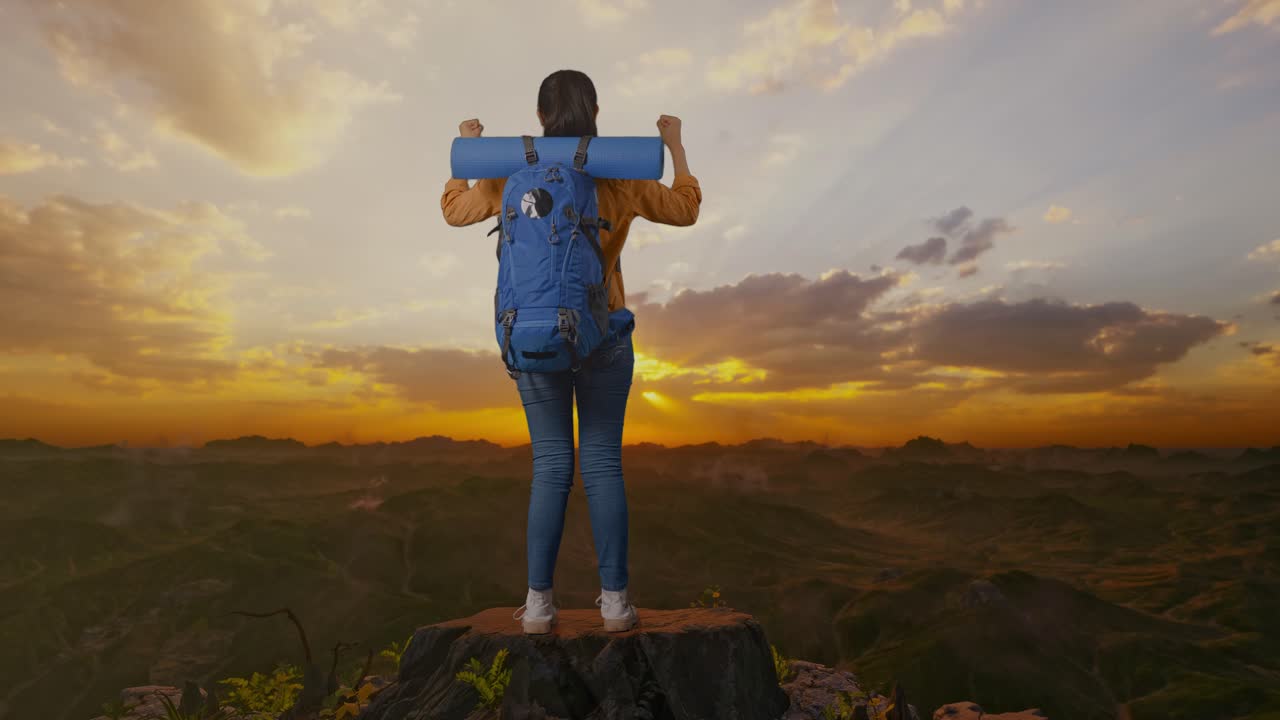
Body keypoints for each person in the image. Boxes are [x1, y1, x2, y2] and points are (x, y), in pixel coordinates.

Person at [440, 69, 701, 634]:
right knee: (603, 465)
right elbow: (686, 208)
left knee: (551, 466)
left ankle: (537, 605)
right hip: (604, 335)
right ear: (596, 113)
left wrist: (466, 147)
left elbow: (453, 209)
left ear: (539, 118)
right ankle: (614, 604)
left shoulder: (513, 172)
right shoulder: (620, 173)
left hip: (533, 334)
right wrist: (676, 147)